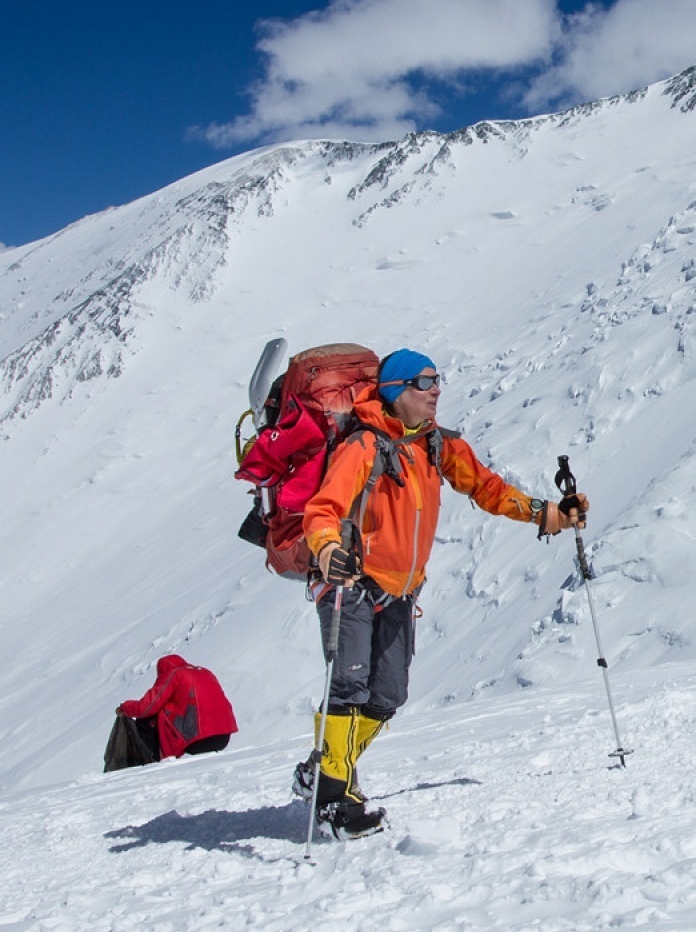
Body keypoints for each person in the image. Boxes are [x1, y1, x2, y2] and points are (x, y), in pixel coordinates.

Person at [293, 348, 587, 839]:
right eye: (425, 383)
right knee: (348, 690)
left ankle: (322, 768)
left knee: (387, 696)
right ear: (396, 391)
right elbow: (323, 509)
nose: (436, 392)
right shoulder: (363, 446)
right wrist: (325, 549)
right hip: (351, 584)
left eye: (437, 381)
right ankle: (332, 798)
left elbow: (490, 489)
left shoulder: (438, 446)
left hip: (402, 592)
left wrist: (549, 514)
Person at [106, 655, 238, 771]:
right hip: (223, 737)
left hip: (199, 740)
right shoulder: (205, 672)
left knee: (147, 720)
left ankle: (153, 763)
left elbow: (146, 707)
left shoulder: (174, 675)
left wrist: (125, 707)